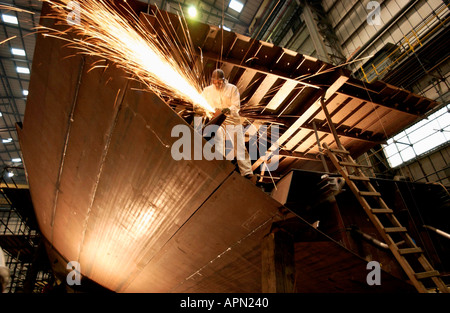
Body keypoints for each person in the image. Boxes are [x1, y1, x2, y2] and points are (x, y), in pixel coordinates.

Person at [199, 69, 256, 183]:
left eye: (219, 82)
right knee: (218, 142)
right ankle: (221, 167)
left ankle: (247, 172)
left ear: (223, 80)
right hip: (218, 121)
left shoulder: (232, 88)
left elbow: (236, 106)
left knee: (239, 145)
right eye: (215, 82)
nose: (217, 84)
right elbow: (200, 101)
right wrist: (197, 106)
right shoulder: (207, 90)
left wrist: (227, 110)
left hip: (232, 121)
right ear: (212, 81)